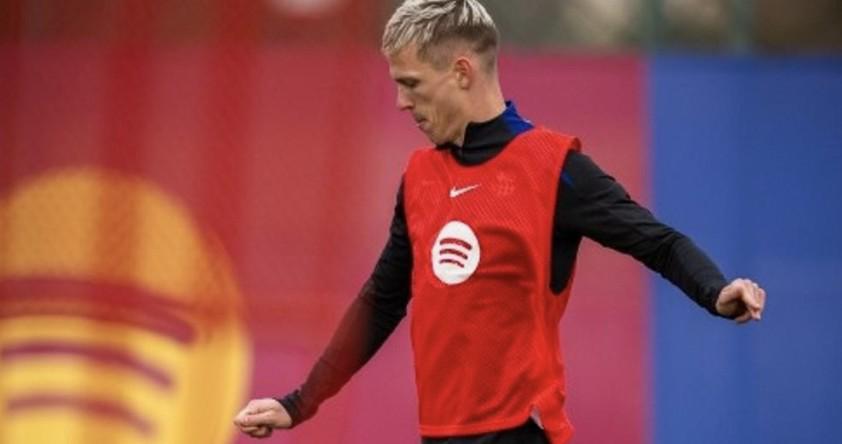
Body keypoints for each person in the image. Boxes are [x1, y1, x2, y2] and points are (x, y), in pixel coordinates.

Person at [233, 1, 767, 442]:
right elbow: (382, 299)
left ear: (461, 72)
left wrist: (716, 290)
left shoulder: (553, 167)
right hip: (438, 435)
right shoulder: (419, 177)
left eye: (412, 84)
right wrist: (299, 403)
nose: (400, 102)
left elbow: (659, 242)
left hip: (518, 432)